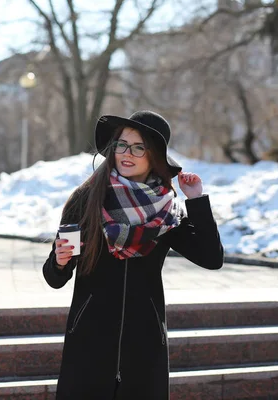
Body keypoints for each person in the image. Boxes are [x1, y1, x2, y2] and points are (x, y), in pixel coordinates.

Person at [43, 110, 224, 400]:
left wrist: (197, 201)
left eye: (139, 147)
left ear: (154, 155)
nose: (127, 153)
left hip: (145, 342)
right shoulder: (86, 200)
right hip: (89, 338)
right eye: (121, 144)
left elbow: (211, 258)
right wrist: (59, 261)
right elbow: (55, 276)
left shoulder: (167, 211)